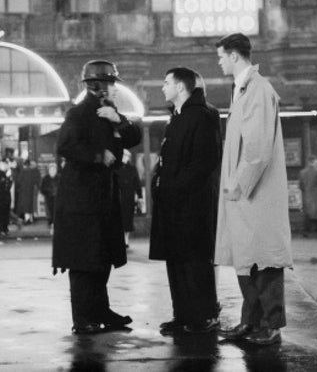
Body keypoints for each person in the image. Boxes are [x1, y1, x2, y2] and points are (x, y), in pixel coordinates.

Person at [52, 59, 142, 335]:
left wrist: (119, 120)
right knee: (83, 262)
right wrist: (97, 155)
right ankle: (84, 318)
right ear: (98, 86)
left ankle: (101, 311)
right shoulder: (78, 113)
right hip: (81, 201)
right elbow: (65, 146)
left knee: (101, 259)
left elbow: (134, 137)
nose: (115, 88)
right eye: (112, 83)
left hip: (102, 199)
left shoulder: (110, 111)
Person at [215, 33, 292, 346]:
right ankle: (251, 322)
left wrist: (238, 185)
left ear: (234, 56)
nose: (219, 61)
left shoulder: (257, 89)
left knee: (265, 260)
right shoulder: (245, 89)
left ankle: (270, 326)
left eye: (221, 56)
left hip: (254, 194)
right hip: (245, 197)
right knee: (248, 259)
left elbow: (257, 149)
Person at [149, 67, 221, 335]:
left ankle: (204, 316)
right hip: (172, 203)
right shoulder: (177, 116)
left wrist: (173, 186)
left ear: (181, 87)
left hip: (193, 204)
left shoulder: (203, 115)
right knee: (176, 260)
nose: (163, 87)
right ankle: (182, 316)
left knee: (195, 261)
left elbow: (204, 161)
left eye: (167, 82)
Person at [117, 149, 142, 248]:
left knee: (128, 220)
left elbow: (137, 183)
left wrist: (140, 196)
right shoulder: (116, 168)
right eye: (124, 155)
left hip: (128, 198)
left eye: (127, 156)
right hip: (119, 198)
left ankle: (126, 240)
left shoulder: (132, 169)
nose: (126, 158)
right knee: (120, 219)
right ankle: (121, 240)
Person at [299, 155, 317, 237]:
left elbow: (301, 185)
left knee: (307, 213)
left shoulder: (302, 172)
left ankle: (305, 231)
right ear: (314, 161)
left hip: (307, 195)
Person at [16, 159, 41, 224]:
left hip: (23, 191)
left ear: (24, 165)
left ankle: (27, 220)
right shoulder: (33, 171)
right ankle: (31, 219)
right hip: (31, 190)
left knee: (25, 205)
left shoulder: (23, 171)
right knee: (29, 205)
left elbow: (19, 180)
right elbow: (37, 181)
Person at [40, 163, 60, 234]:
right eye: (51, 169)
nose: (52, 171)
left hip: (57, 198)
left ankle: (55, 224)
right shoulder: (45, 178)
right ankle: (51, 222)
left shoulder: (59, 178)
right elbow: (42, 188)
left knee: (56, 211)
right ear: (49, 170)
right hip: (49, 197)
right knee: (50, 211)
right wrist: (48, 192)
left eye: (54, 169)